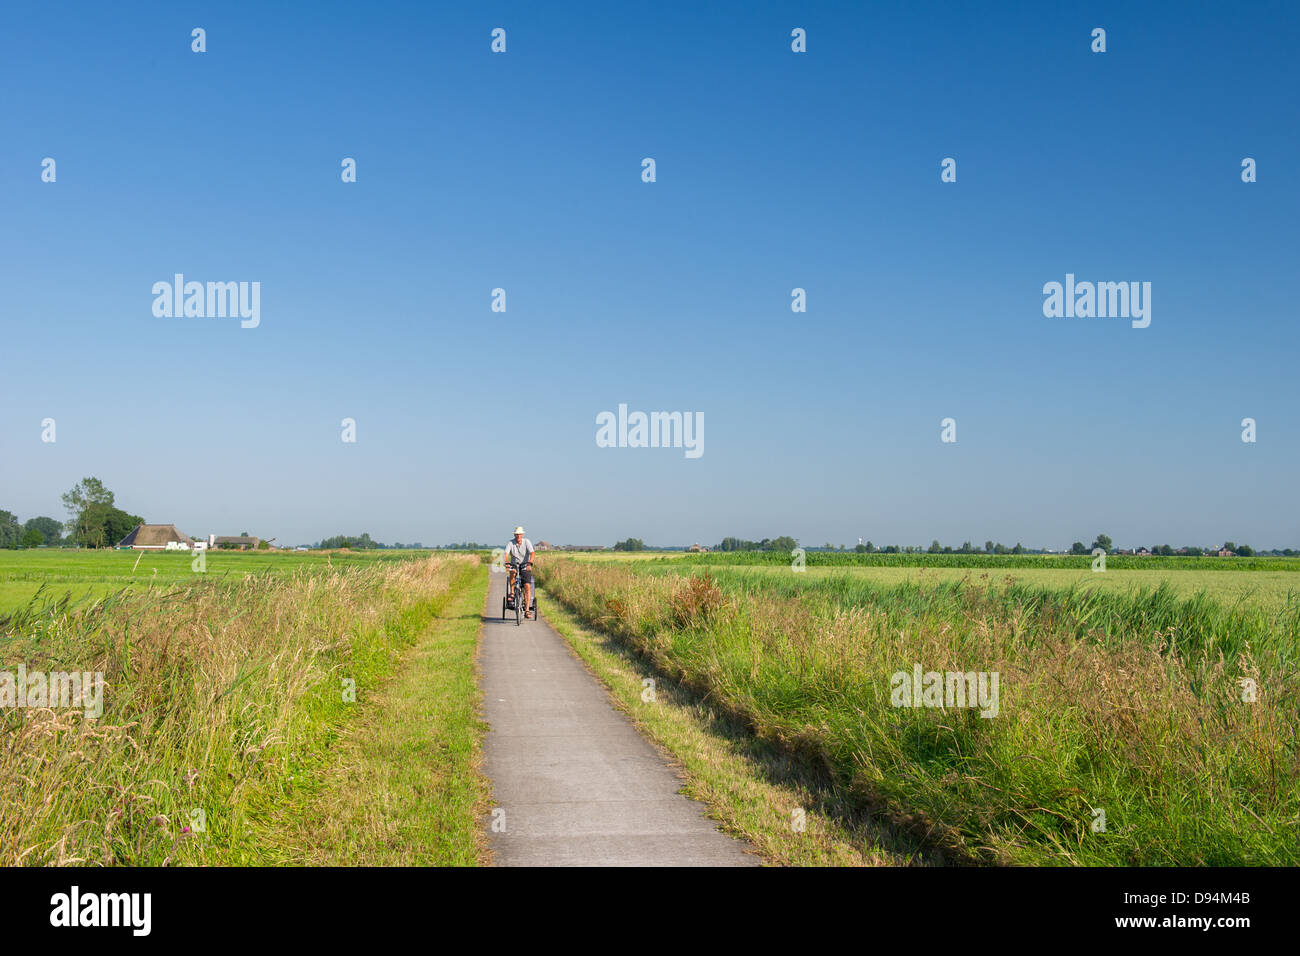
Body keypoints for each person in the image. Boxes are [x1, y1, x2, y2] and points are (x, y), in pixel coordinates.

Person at [506, 526, 535, 619]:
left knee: (527, 586)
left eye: (520, 534)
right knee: (512, 572)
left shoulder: (527, 542)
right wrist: (506, 562)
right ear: (514, 535)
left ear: (522, 535)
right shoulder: (511, 543)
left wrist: (530, 563)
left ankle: (527, 610)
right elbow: (506, 553)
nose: (518, 536)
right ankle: (512, 593)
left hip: (525, 565)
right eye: (516, 534)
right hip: (514, 565)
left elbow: (532, 553)